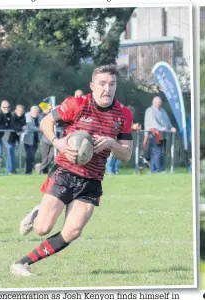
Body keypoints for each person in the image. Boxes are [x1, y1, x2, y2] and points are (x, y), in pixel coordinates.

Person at [11, 64, 133, 276]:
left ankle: (22, 263)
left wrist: (112, 143)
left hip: (92, 180)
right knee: (42, 229)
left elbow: (127, 154)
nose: (107, 89)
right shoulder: (77, 104)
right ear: (92, 85)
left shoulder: (123, 114)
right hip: (65, 173)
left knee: (73, 231)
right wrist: (57, 143)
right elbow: (46, 121)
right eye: (102, 84)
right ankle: (37, 212)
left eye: (112, 84)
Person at [144, 96, 176, 173]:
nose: (158, 104)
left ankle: (153, 170)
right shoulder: (150, 110)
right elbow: (153, 123)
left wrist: (171, 127)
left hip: (162, 134)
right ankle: (159, 169)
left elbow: (167, 122)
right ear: (153, 102)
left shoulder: (163, 111)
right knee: (157, 152)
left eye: (159, 102)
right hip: (153, 134)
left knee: (158, 152)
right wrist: (162, 128)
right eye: (157, 102)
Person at [3, 105, 26, 175]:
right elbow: (13, 126)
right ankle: (9, 170)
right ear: (16, 110)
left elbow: (24, 124)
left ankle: (12, 170)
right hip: (8, 137)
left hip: (16, 137)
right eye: (19, 111)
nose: (20, 112)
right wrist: (22, 128)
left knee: (13, 154)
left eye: (21, 111)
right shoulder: (12, 115)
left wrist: (23, 127)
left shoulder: (23, 116)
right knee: (10, 154)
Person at [23, 106, 42, 174]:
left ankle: (28, 170)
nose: (36, 113)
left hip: (36, 139)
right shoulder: (27, 116)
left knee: (32, 156)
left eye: (37, 112)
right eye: (34, 112)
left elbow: (42, 124)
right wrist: (39, 129)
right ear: (31, 111)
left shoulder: (40, 117)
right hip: (28, 140)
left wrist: (40, 128)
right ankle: (28, 171)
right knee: (29, 155)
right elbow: (29, 127)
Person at [37, 106, 54, 174]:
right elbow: (41, 126)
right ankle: (44, 170)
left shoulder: (55, 115)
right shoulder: (42, 116)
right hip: (45, 139)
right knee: (44, 157)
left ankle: (40, 168)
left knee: (51, 156)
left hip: (54, 139)